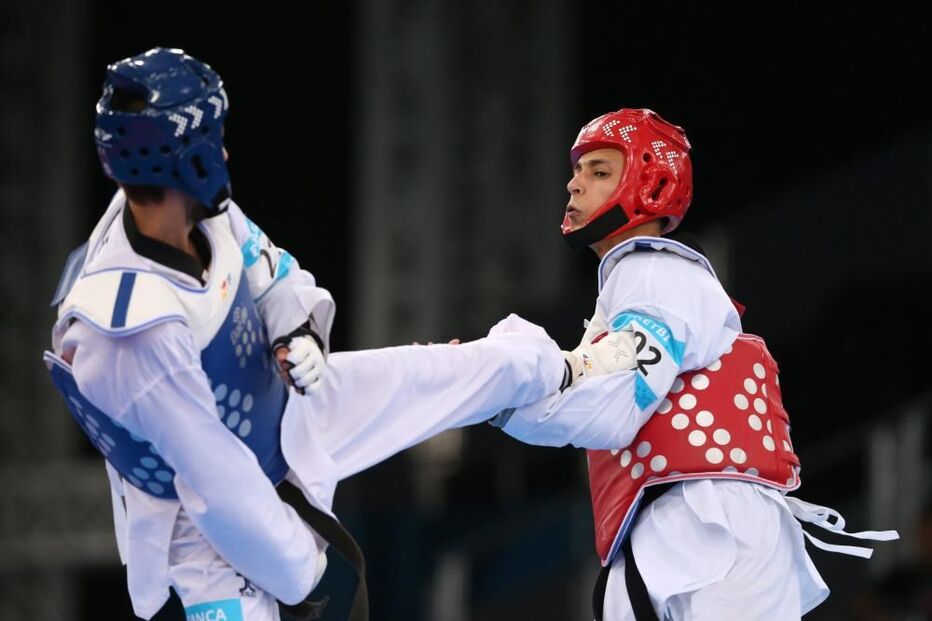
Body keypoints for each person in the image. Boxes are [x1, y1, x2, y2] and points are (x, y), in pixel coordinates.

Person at [43, 47, 622, 621]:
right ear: (187, 160)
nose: (223, 149)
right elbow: (216, 484)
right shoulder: (129, 330)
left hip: (287, 403)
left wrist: (296, 335)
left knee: (451, 373)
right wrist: (304, 575)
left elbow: (278, 278)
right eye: (213, 137)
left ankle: (573, 368)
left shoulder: (200, 210)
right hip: (202, 526)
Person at [493, 108, 898, 620]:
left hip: (711, 527)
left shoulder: (655, 272)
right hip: (670, 529)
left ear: (649, 183)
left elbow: (613, 405)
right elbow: (587, 408)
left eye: (598, 171)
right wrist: (493, 390)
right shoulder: (631, 288)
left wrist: (504, 377)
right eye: (576, 172)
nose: (574, 186)